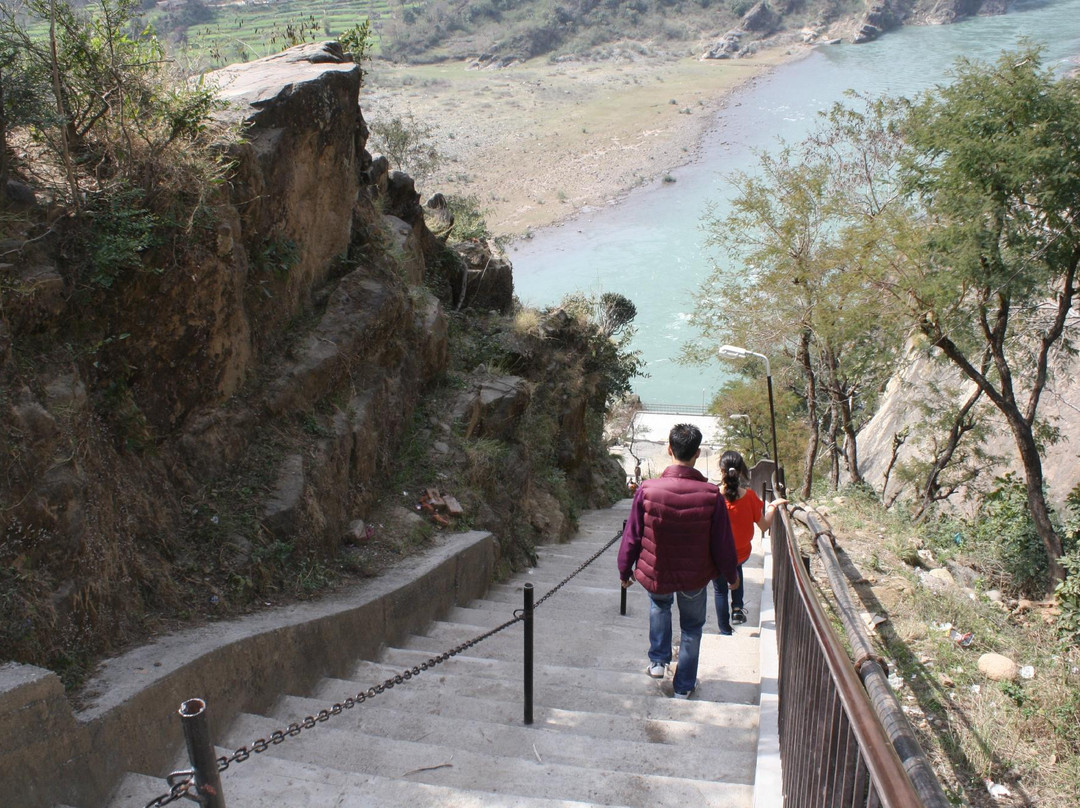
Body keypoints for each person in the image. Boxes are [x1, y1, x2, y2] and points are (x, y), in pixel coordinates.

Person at [618, 423, 739, 699]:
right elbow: (722, 543)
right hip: (695, 575)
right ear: (697, 453)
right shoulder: (711, 496)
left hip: (657, 569)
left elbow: (632, 535)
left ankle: (659, 662)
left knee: (659, 606)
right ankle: (684, 686)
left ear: (669, 450)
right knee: (692, 627)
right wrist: (731, 576)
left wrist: (625, 569)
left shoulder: (647, 490)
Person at [713, 450, 788, 635]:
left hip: (717, 555)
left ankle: (724, 630)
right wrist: (771, 506)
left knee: (720, 590)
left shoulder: (713, 497)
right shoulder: (751, 497)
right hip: (741, 552)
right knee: (736, 567)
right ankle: (737, 608)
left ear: (721, 471)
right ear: (741, 471)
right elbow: (764, 526)